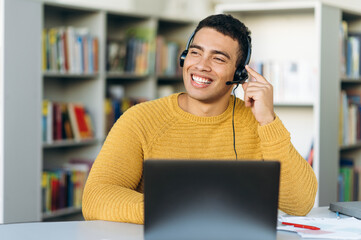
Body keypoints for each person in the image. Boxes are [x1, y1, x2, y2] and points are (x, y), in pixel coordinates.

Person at [82, 14, 317, 224]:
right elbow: (96, 196)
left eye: (219, 59)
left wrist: (268, 121)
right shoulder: (140, 118)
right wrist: (179, 210)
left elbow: (300, 204)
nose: (201, 66)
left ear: (239, 74)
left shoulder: (258, 121)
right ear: (184, 57)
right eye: (195, 52)